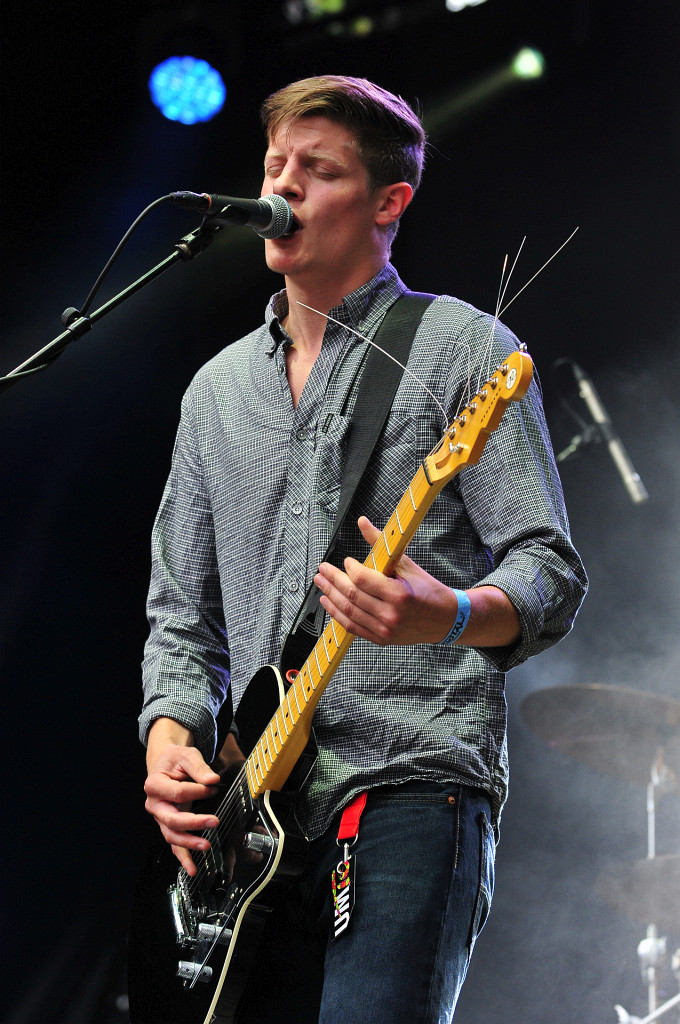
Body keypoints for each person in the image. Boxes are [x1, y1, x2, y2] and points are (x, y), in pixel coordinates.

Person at [139, 75, 587, 1023]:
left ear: (390, 202)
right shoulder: (215, 393)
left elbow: (548, 570)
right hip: (253, 819)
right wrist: (171, 739)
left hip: (410, 780)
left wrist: (448, 613)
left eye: (319, 169)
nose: (283, 185)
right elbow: (181, 616)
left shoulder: (464, 348)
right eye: (275, 164)